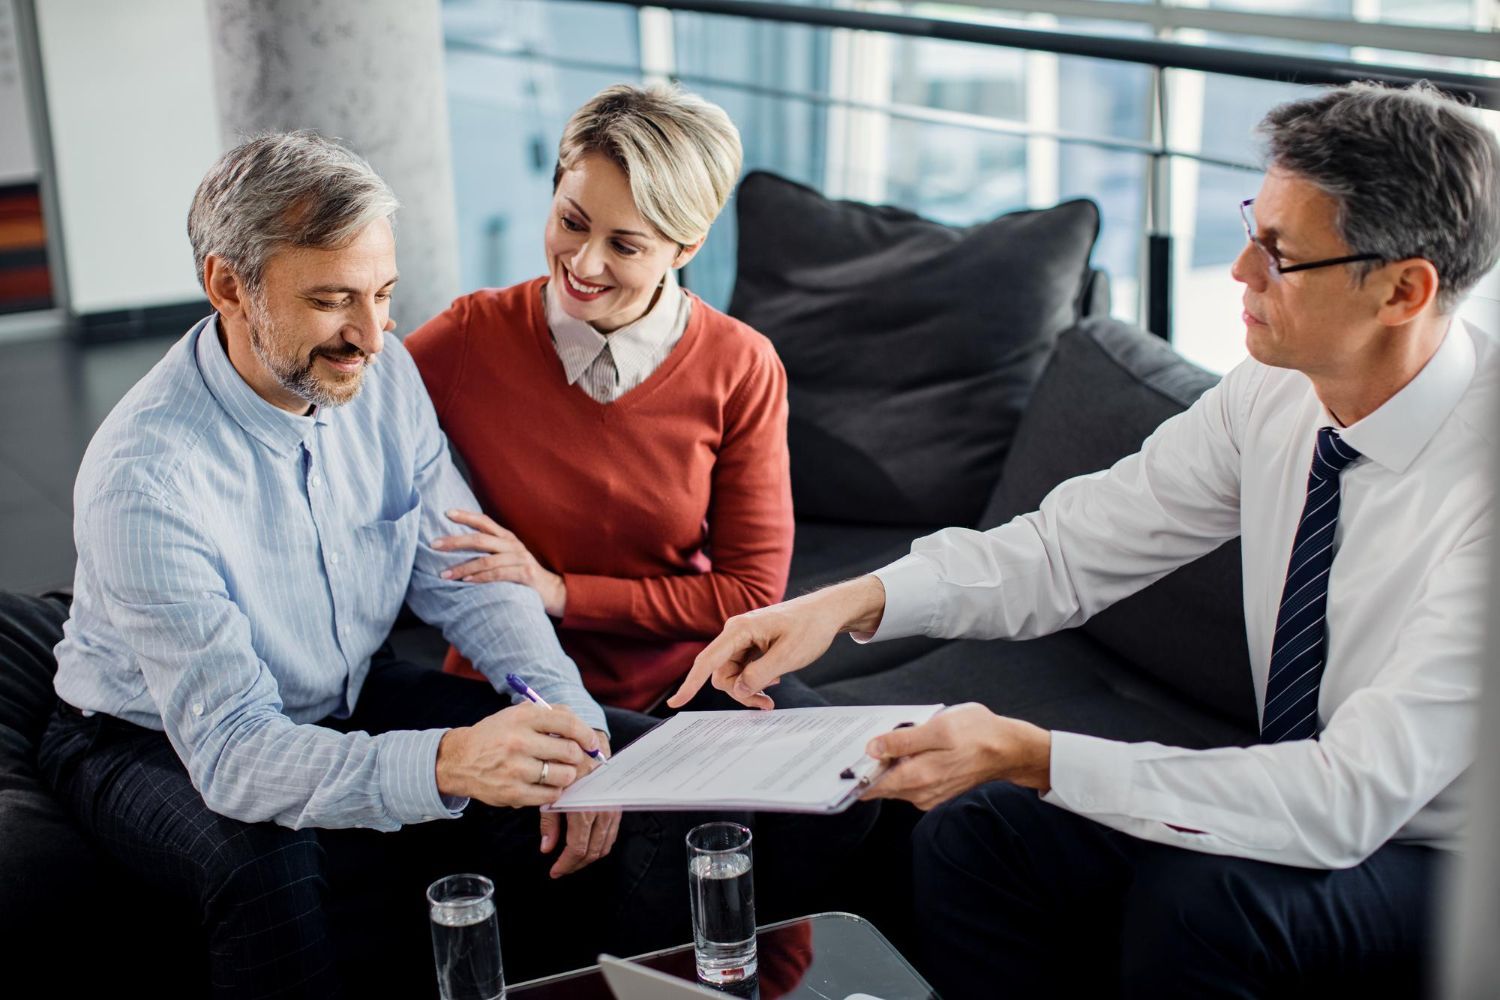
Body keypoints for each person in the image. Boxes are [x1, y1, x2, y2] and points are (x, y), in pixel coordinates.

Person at [670, 81, 1500, 998]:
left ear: (1403, 289)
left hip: (1446, 854)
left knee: (1207, 903)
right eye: (1250, 228)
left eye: (1281, 255)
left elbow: (1350, 799)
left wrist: (1035, 754)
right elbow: (1069, 548)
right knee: (975, 835)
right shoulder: (1273, 391)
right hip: (1294, 779)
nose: (1239, 272)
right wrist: (851, 602)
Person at [40, 131, 686, 999]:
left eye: (383, 294)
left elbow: (464, 567)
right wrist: (451, 761)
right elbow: (234, 755)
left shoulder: (377, 373)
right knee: (267, 866)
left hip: (344, 691)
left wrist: (568, 713)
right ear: (228, 286)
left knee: (605, 773)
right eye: (333, 300)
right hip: (148, 737)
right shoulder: (146, 478)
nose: (373, 336)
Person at [404, 83, 874, 918]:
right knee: (664, 850)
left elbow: (747, 595)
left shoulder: (741, 364)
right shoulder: (469, 338)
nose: (583, 265)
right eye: (572, 221)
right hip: (522, 690)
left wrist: (559, 590)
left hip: (690, 679)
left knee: (855, 790)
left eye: (625, 244)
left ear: (685, 244)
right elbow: (349, 428)